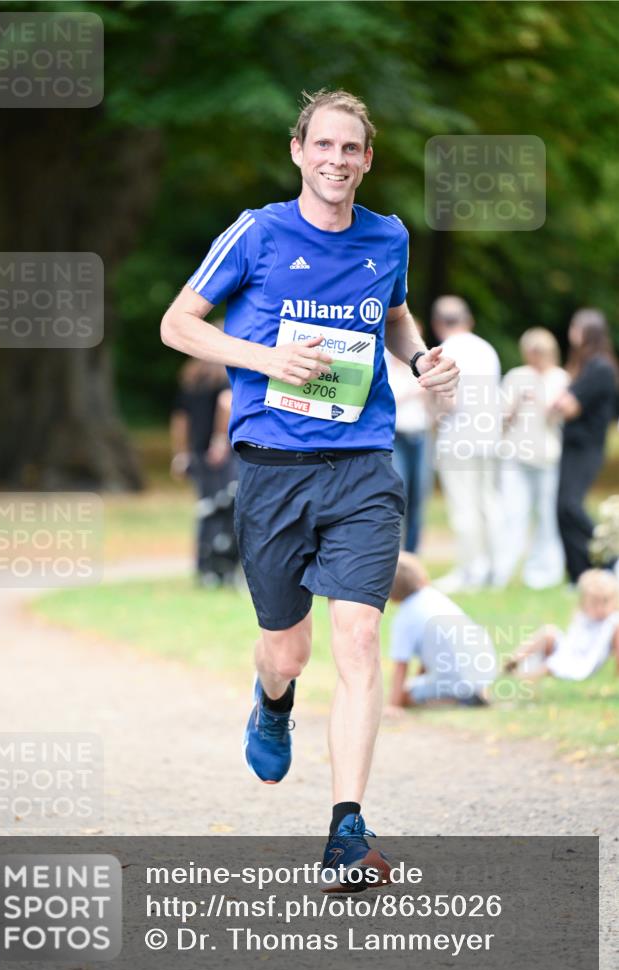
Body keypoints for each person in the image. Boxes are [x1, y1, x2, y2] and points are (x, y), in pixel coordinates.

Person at [160, 88, 459, 891]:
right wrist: (263, 360)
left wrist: (422, 356)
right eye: (322, 145)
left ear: (367, 160)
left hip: (363, 463)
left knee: (359, 638)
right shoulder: (256, 232)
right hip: (271, 468)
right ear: (298, 150)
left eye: (350, 149)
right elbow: (177, 323)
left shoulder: (387, 236)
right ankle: (271, 700)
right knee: (287, 650)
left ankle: (346, 831)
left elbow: (392, 319)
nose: (335, 160)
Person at [430, 296, 503, 593]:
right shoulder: (487, 349)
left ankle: (469, 571)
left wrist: (433, 416)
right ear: (468, 319)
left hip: (458, 437)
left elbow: (449, 401)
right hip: (488, 436)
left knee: (464, 508)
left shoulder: (447, 351)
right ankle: (495, 568)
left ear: (437, 324)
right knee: (488, 503)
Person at [497, 328, 569, 588]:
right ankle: (502, 571)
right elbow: (501, 417)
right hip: (516, 455)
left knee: (547, 515)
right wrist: (517, 404)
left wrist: (541, 402)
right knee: (513, 513)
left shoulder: (560, 378)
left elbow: (559, 417)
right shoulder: (517, 376)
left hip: (547, 456)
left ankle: (544, 572)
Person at [553, 311, 619, 582]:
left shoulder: (599, 367)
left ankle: (612, 557)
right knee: (562, 508)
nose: (572, 331)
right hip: (573, 445)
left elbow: (567, 407)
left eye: (575, 326)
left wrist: (558, 403)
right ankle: (579, 572)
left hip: (587, 446)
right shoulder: (586, 365)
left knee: (570, 506)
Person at [385, 553, 496, 712]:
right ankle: (475, 691)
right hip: (484, 668)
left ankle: (456, 699)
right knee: (423, 681)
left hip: (456, 680)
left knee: (407, 694)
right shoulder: (435, 597)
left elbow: (401, 664)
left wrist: (394, 704)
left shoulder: (404, 618)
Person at [170, 356, 239, 586]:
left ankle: (204, 567)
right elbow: (226, 403)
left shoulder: (192, 382)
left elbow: (180, 420)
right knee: (226, 509)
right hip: (220, 457)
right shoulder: (224, 380)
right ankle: (223, 567)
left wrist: (181, 453)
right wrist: (220, 440)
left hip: (198, 455)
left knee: (205, 510)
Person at [504, 569, 619, 680]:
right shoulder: (582, 616)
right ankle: (513, 660)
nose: (600, 608)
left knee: (550, 666)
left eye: (605, 602)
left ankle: (525, 677)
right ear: (584, 603)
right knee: (548, 632)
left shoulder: (613, 623)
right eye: (594, 603)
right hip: (569, 652)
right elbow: (572, 640)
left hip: (584, 662)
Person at [386, 321, 433, 553]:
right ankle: (397, 548)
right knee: (400, 491)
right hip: (396, 436)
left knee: (419, 494)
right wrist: (412, 392)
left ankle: (413, 550)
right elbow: (386, 402)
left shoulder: (420, 367)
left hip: (420, 435)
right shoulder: (385, 365)